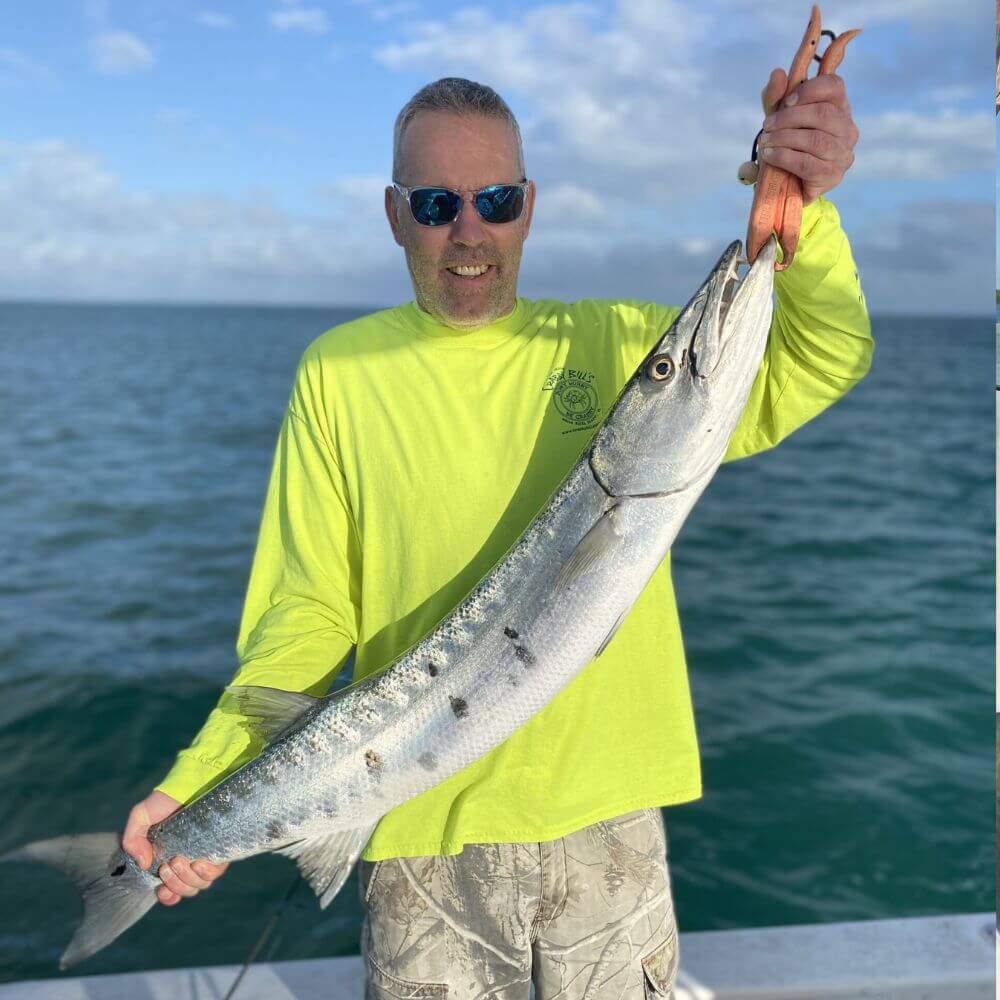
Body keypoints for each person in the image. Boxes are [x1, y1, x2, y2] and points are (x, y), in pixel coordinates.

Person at [121, 74, 871, 997]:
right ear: (396, 216)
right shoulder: (339, 371)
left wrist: (809, 210)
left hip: (608, 823)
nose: (468, 231)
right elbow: (304, 611)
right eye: (437, 205)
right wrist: (199, 784)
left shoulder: (619, 344)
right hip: (409, 832)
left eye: (497, 201)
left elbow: (819, 355)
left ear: (529, 210)